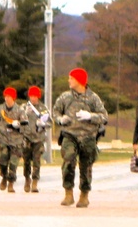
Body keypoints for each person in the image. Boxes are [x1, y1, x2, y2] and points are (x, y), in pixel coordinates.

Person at [53, 68, 108, 208]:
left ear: (79, 81)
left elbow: (104, 116)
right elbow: (55, 111)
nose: (69, 80)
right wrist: (60, 119)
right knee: (68, 160)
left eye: (71, 78)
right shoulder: (65, 97)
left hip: (88, 136)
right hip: (69, 134)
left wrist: (91, 116)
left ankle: (84, 195)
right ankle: (68, 193)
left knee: (86, 166)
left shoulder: (93, 98)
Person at [0, 87, 26, 193]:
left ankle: (11, 183)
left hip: (16, 141)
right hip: (3, 139)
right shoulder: (0, 109)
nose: (7, 98)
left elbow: (25, 125)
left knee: (13, 164)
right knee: (2, 161)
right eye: (6, 96)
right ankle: (4, 176)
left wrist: (18, 125)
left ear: (13, 98)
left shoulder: (20, 110)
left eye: (9, 96)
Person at [21, 85, 51, 193]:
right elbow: (18, 121)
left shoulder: (43, 108)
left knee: (37, 161)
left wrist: (43, 124)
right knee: (26, 161)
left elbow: (50, 123)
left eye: (35, 96)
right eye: (31, 96)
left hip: (38, 138)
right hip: (26, 138)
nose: (33, 98)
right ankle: (27, 179)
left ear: (38, 97)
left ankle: (35, 182)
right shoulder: (24, 107)